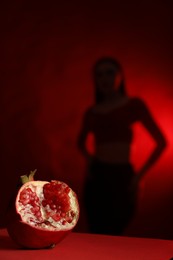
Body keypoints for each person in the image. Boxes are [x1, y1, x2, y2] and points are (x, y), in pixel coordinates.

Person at [77, 57, 167, 235]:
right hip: (97, 177)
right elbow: (80, 143)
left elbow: (161, 142)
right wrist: (90, 161)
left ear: (120, 76)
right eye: (99, 74)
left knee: (116, 230)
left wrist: (139, 176)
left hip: (122, 176)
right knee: (96, 231)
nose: (104, 78)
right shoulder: (92, 112)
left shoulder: (133, 105)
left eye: (110, 72)